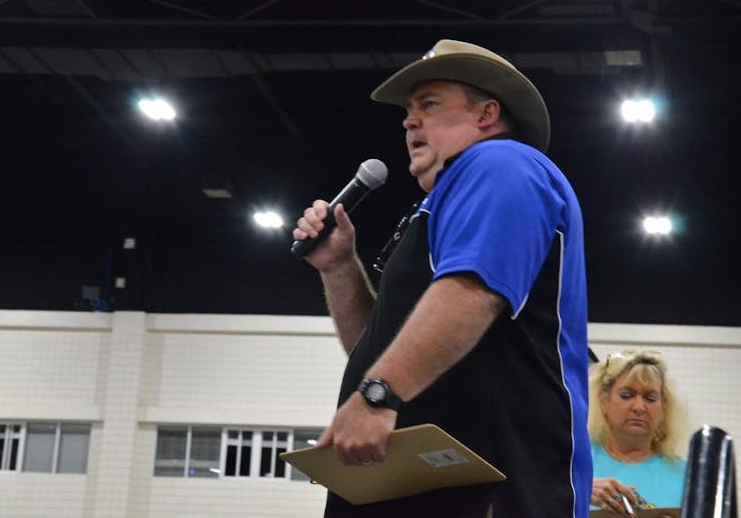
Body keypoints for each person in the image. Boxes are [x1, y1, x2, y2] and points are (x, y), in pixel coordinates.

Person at [292, 39, 591, 517]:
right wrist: (339, 267)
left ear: (486, 115)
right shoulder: (435, 208)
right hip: (421, 483)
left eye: (429, 105)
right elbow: (378, 346)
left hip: (493, 486)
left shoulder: (502, 163)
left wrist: (376, 395)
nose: (410, 121)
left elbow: (473, 292)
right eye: (408, 112)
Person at [588, 350, 690, 514]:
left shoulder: (688, 477)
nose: (639, 407)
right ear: (604, 400)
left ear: (664, 406)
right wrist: (578, 490)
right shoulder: (574, 466)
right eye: (627, 395)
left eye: (650, 399)